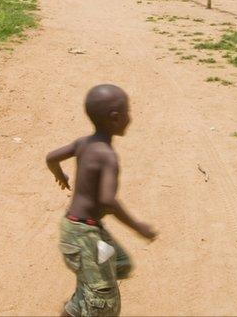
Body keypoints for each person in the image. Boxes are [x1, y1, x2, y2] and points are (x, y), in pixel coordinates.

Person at [46, 85, 156, 317]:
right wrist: (138, 227)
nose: (130, 117)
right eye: (128, 112)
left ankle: (83, 297)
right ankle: (88, 299)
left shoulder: (83, 143)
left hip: (75, 228)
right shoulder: (107, 156)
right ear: (115, 118)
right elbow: (107, 200)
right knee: (104, 302)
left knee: (120, 263)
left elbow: (51, 157)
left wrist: (60, 174)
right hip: (83, 234)